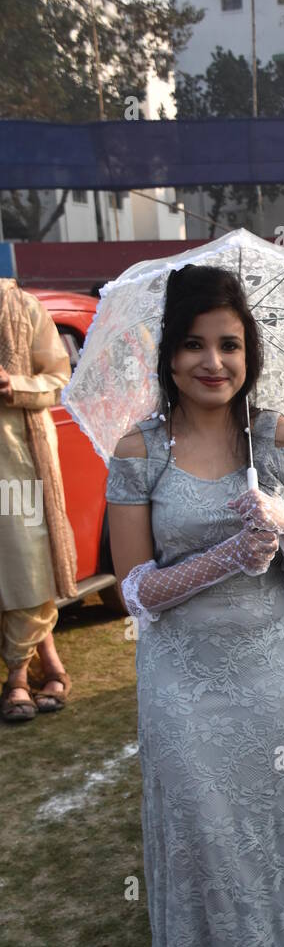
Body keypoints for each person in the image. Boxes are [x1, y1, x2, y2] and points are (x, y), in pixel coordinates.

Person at [105, 265, 284, 947]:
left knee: (265, 846)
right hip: (180, 683)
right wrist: (215, 561)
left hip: (267, 679)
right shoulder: (140, 449)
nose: (214, 361)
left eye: (230, 344)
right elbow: (131, 590)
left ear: (251, 352)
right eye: (196, 344)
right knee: (199, 840)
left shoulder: (278, 435)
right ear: (169, 354)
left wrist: (283, 532)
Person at [0, 279, 76, 723]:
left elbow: (58, 376)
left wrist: (16, 385)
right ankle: (51, 664)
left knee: (26, 565)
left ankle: (16, 679)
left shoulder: (20, 306)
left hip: (19, 463)